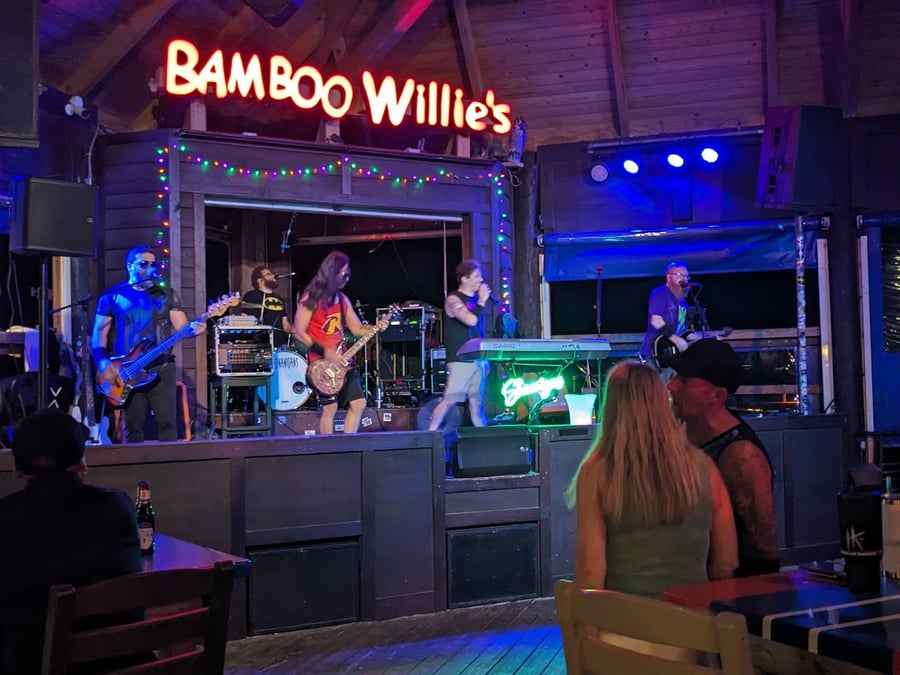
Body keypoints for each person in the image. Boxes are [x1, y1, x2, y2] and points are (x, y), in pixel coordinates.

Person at [568, 360, 738, 598]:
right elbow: (727, 562)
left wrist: (582, 618)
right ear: (662, 403)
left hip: (627, 617)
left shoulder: (597, 472)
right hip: (694, 617)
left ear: (612, 407)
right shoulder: (704, 467)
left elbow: (590, 571)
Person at [0, 409, 141, 674]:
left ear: (18, 469)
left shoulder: (7, 518)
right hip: (120, 663)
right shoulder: (118, 507)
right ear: (80, 461)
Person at [667, 338, 780, 577]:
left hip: (722, 592)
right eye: (675, 376)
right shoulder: (680, 435)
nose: (671, 386)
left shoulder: (742, 457)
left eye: (684, 380)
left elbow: (764, 554)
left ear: (717, 396)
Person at [91, 246, 205, 443]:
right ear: (130, 266)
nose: (150, 268)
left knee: (168, 423)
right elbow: (99, 332)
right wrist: (102, 361)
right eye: (144, 264)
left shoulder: (166, 294)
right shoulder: (112, 296)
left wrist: (195, 329)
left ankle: (167, 461)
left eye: (153, 264)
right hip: (127, 370)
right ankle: (136, 462)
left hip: (162, 366)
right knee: (133, 427)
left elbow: (183, 328)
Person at [293, 250, 376, 435]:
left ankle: (348, 444)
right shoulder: (311, 297)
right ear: (331, 272)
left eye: (348, 273)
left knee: (359, 403)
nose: (346, 277)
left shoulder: (342, 299)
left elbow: (357, 329)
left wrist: (377, 326)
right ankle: (328, 447)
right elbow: (299, 331)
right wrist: (324, 352)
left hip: (342, 361)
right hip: (321, 364)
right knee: (330, 408)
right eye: (342, 272)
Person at [427, 259, 491, 431]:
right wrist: (481, 302)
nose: (480, 280)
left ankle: (483, 436)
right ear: (464, 278)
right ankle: (430, 433)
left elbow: (478, 331)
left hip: (477, 359)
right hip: (460, 358)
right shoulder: (453, 299)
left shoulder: (476, 300)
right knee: (450, 399)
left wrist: (485, 359)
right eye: (476, 276)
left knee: (477, 401)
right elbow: (470, 320)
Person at [639, 261, 696, 372]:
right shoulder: (660, 293)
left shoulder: (682, 302)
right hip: (656, 354)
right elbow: (656, 321)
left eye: (686, 276)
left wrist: (709, 336)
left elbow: (684, 331)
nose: (684, 279)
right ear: (669, 277)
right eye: (680, 275)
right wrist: (676, 340)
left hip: (674, 355)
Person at [241, 265, 294, 347]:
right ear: (260, 281)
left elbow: (285, 323)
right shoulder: (251, 296)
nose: (273, 275)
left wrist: (297, 333)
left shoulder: (278, 298)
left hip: (280, 343)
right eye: (269, 274)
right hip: (261, 341)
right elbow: (244, 318)